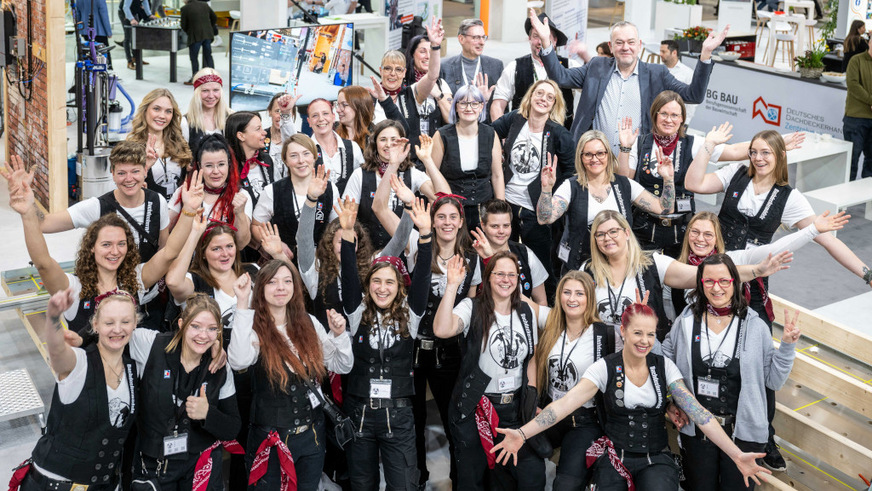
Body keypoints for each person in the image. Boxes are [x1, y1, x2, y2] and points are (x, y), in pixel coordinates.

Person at [684, 127, 872, 469]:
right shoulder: (734, 173)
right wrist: (710, 146)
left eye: (766, 152)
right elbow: (694, 184)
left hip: (752, 287)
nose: (758, 158)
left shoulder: (790, 197)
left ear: (780, 157)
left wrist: (867, 273)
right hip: (715, 279)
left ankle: (763, 437)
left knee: (758, 361)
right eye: (754, 151)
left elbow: (826, 239)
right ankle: (699, 423)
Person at [490, 303, 771, 491]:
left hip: (655, 457)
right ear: (623, 332)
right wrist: (522, 434)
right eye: (637, 332)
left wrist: (735, 454)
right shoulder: (604, 368)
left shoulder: (665, 367)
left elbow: (698, 413)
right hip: (615, 457)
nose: (644, 341)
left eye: (650, 334)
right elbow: (564, 404)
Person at [3, 154, 195, 335]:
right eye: (106, 244)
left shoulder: (135, 280)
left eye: (121, 244)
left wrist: (189, 211)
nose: (114, 251)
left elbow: (169, 252)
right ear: (91, 247)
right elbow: (43, 263)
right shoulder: (74, 289)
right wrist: (28, 212)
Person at [662, 254, 800, 491]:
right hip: (696, 431)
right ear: (700, 284)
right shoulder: (685, 321)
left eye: (724, 281)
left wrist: (787, 346)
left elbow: (774, 381)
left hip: (743, 433)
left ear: (735, 282)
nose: (717, 288)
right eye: (709, 281)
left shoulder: (755, 326)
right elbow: (662, 362)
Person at [615, 92, 804, 256]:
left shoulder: (695, 143)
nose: (669, 119)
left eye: (674, 114)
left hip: (681, 228)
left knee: (680, 287)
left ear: (682, 118)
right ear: (654, 115)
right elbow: (624, 180)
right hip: (643, 225)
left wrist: (775, 143)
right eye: (663, 113)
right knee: (643, 278)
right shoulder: (640, 144)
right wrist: (625, 147)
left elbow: (736, 151)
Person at [228, 260, 354, 490]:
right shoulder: (252, 328)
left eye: (287, 281)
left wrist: (340, 335)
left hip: (312, 437)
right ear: (261, 288)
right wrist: (242, 302)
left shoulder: (309, 322)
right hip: (271, 440)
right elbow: (238, 361)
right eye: (273, 282)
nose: (281, 287)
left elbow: (342, 365)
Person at [338, 197, 434, 490]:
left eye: (389, 282)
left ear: (399, 286)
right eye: (376, 281)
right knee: (362, 484)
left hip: (400, 416)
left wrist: (426, 236)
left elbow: (423, 278)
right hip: (360, 415)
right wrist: (345, 233)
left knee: (403, 484)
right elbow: (349, 274)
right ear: (368, 285)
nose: (382, 288)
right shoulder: (356, 313)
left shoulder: (411, 313)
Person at [433, 250, 549, 490]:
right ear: (488, 277)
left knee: (529, 475)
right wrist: (452, 286)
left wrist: (532, 398)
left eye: (511, 275)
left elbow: (532, 359)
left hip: (515, 409)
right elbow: (442, 330)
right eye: (499, 274)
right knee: (473, 480)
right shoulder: (471, 307)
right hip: (476, 408)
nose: (506, 280)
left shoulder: (526, 312)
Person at [584, 210, 790, 342]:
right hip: (601, 349)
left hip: (644, 348)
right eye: (600, 234)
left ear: (626, 233)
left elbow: (707, 274)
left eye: (613, 232)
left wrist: (757, 271)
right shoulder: (587, 269)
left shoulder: (654, 263)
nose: (607, 238)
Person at [528, 10, 726, 147]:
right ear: (611, 46)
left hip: (634, 160)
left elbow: (694, 94)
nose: (625, 47)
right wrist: (546, 42)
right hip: (593, 157)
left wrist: (705, 54)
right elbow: (560, 78)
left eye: (631, 42)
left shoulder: (657, 73)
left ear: (639, 45)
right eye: (619, 42)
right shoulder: (596, 66)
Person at [8, 290, 140, 491]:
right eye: (109, 323)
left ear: (135, 324)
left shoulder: (132, 368)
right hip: (55, 484)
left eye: (125, 322)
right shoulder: (80, 362)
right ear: (95, 325)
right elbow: (57, 352)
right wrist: (53, 317)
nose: (118, 329)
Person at [127, 293, 241, 489]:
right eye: (195, 326)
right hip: (156, 465)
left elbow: (232, 428)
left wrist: (208, 414)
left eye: (212, 329)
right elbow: (111, 330)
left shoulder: (219, 367)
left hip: (201, 465)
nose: (203, 335)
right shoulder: (151, 344)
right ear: (181, 323)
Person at [536, 130, 676, 273]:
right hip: (580, 270)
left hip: (618, 268)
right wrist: (546, 189)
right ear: (581, 157)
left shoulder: (625, 184)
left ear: (608, 155)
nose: (594, 159)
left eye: (600, 153)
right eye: (588, 154)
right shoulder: (570, 186)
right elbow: (545, 218)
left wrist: (668, 179)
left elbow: (664, 208)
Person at [670, 210, 848, 317]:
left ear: (717, 239)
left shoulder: (735, 259)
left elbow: (776, 248)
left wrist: (813, 230)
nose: (700, 239)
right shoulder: (675, 268)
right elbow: (669, 310)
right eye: (695, 232)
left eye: (708, 234)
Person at [492, 80, 575, 296]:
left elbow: (571, 174)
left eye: (550, 97)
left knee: (542, 266)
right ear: (530, 95)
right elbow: (488, 133)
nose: (543, 99)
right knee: (503, 261)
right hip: (507, 203)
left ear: (554, 104)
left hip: (536, 211)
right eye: (539, 93)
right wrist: (497, 151)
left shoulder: (559, 134)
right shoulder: (514, 120)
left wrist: (553, 196)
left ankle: (545, 312)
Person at [534, 270, 614, 490]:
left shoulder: (604, 334)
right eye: (567, 292)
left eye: (579, 293)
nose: (572, 299)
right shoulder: (551, 322)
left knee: (566, 485)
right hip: (550, 412)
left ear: (589, 298)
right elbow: (512, 295)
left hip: (584, 421)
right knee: (520, 463)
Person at [38, 141, 169, 264]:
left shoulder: (158, 202)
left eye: (135, 171)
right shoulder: (98, 207)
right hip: (110, 286)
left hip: (149, 286)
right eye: (121, 173)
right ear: (112, 173)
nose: (129, 179)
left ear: (145, 171)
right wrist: (26, 204)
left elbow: (163, 250)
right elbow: (44, 224)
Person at [342, 120, 444, 249]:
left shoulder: (412, 173)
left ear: (402, 143)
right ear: (374, 143)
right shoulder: (359, 175)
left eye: (394, 139)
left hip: (405, 252)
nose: (388, 145)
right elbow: (349, 220)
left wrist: (427, 160)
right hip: (367, 252)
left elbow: (442, 196)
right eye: (383, 139)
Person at [251, 134, 340, 259]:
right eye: (294, 156)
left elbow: (337, 226)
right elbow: (256, 226)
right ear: (285, 160)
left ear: (314, 157)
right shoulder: (272, 191)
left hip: (322, 262)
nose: (301, 160)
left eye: (306, 154)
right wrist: (278, 245)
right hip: (286, 261)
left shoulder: (330, 188)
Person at [431, 84, 504, 231]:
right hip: (451, 211)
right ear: (456, 107)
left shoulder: (491, 134)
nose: (468, 108)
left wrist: (501, 209)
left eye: (474, 103)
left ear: (481, 106)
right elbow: (431, 176)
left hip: (484, 209)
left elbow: (497, 175)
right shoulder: (441, 135)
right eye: (463, 103)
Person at [491, 13, 577, 127]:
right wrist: (500, 136)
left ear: (555, 41)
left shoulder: (570, 65)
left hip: (560, 139)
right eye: (536, 36)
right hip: (522, 138)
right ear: (529, 39)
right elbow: (497, 105)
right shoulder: (514, 67)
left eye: (545, 37)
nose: (540, 42)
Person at [371, 19, 444, 148]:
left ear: (404, 73)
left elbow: (432, 76)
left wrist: (435, 46)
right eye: (388, 68)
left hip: (409, 160)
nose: (393, 74)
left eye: (398, 69)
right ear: (380, 71)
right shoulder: (370, 98)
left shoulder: (412, 93)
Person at [169, 134, 252, 248]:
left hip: (224, 262)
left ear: (229, 164)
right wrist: (188, 210)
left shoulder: (241, 195)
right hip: (189, 263)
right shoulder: (185, 192)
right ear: (199, 166)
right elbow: (165, 234)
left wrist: (240, 213)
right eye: (209, 165)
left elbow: (241, 244)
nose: (216, 171)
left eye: (221, 164)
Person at [473, 199, 549, 305]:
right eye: (495, 226)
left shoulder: (525, 253)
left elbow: (541, 301)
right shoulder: (472, 256)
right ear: (483, 225)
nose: (501, 231)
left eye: (506, 226)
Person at [128, 89, 193, 200]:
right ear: (145, 110)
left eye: (168, 111)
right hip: (149, 211)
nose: (162, 116)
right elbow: (127, 185)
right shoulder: (132, 147)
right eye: (156, 109)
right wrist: (145, 166)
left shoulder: (179, 142)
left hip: (178, 211)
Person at [440, 18, 504, 118]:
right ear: (461, 39)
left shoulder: (496, 66)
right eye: (476, 38)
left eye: (483, 37)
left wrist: (485, 101)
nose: (482, 42)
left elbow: (502, 108)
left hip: (486, 127)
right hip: (455, 126)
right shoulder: (445, 67)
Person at [403, 33, 453, 145]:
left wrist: (439, 96)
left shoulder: (441, 84)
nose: (428, 56)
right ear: (412, 54)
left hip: (436, 146)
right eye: (422, 51)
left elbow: (451, 119)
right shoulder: (402, 82)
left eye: (431, 52)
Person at [307, 98, 365, 194]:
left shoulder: (353, 147)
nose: (321, 119)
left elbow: (362, 182)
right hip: (314, 207)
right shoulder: (305, 149)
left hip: (348, 207)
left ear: (333, 117)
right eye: (315, 115)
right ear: (309, 122)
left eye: (325, 113)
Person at [225, 111, 282, 206]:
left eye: (262, 127)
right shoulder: (227, 166)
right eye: (258, 129)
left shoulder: (266, 159)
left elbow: (278, 194)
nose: (264, 132)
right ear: (241, 136)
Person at [182, 68, 233, 156]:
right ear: (197, 93)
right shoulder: (185, 122)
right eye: (205, 91)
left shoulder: (231, 117)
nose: (211, 96)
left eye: (216, 90)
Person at [843, 42, 872, 180]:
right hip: (856, 118)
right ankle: (844, 198)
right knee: (851, 161)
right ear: (870, 43)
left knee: (871, 162)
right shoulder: (856, 60)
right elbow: (853, 85)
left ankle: (867, 197)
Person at [658, 40, 696, 123]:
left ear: (674, 53)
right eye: (660, 51)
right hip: (659, 117)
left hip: (678, 120)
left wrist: (686, 121)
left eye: (663, 51)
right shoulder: (658, 70)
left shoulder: (687, 73)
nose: (660, 54)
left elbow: (692, 100)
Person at [180, 0, 217, 85]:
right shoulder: (204, 4)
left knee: (194, 57)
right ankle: (213, 77)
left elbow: (183, 25)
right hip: (207, 34)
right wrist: (208, 26)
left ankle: (195, 78)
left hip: (195, 36)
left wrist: (189, 31)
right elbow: (214, 17)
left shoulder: (185, 8)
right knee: (208, 55)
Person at [264, 92, 300, 174]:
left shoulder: (302, 139)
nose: (281, 116)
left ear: (293, 114)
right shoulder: (260, 138)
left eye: (287, 112)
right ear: (270, 112)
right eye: (277, 111)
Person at [75, 0, 113, 69]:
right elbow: (104, 15)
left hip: (85, 30)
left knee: (89, 52)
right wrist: (108, 32)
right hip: (99, 30)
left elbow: (77, 14)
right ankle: (107, 70)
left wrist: (79, 29)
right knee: (103, 52)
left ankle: (91, 71)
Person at [336, 85, 375, 150]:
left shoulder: (375, 136)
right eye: (338, 105)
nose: (337, 110)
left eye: (344, 105)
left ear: (360, 106)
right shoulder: (333, 130)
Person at [119, 0, 154, 70]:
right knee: (128, 37)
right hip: (124, 12)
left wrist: (149, 15)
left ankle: (136, 58)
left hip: (134, 12)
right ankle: (129, 61)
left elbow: (145, 3)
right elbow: (125, 7)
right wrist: (131, 19)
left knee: (135, 37)